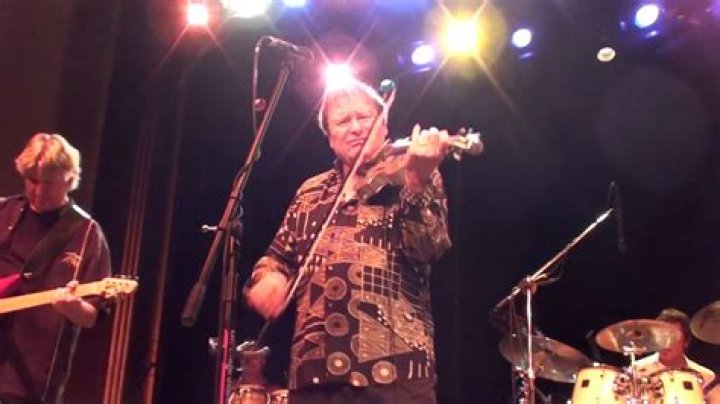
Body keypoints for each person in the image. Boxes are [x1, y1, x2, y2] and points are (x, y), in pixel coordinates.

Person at [244, 79, 452, 404]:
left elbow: (428, 247)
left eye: (364, 117)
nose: (355, 127)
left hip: (394, 370)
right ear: (329, 137)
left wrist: (416, 183)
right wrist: (268, 277)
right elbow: (277, 256)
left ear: (383, 124)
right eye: (342, 121)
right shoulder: (310, 192)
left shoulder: (412, 172)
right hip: (313, 372)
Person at [0, 133, 112, 404]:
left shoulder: (87, 233)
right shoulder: (4, 211)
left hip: (29, 378)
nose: (39, 191)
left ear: (69, 178)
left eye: (49, 183)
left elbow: (92, 315)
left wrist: (73, 308)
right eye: (32, 181)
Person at [634, 308, 717, 403]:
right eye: (662, 335)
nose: (666, 342)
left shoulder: (705, 376)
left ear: (686, 341)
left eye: (673, 336)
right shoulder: (637, 370)